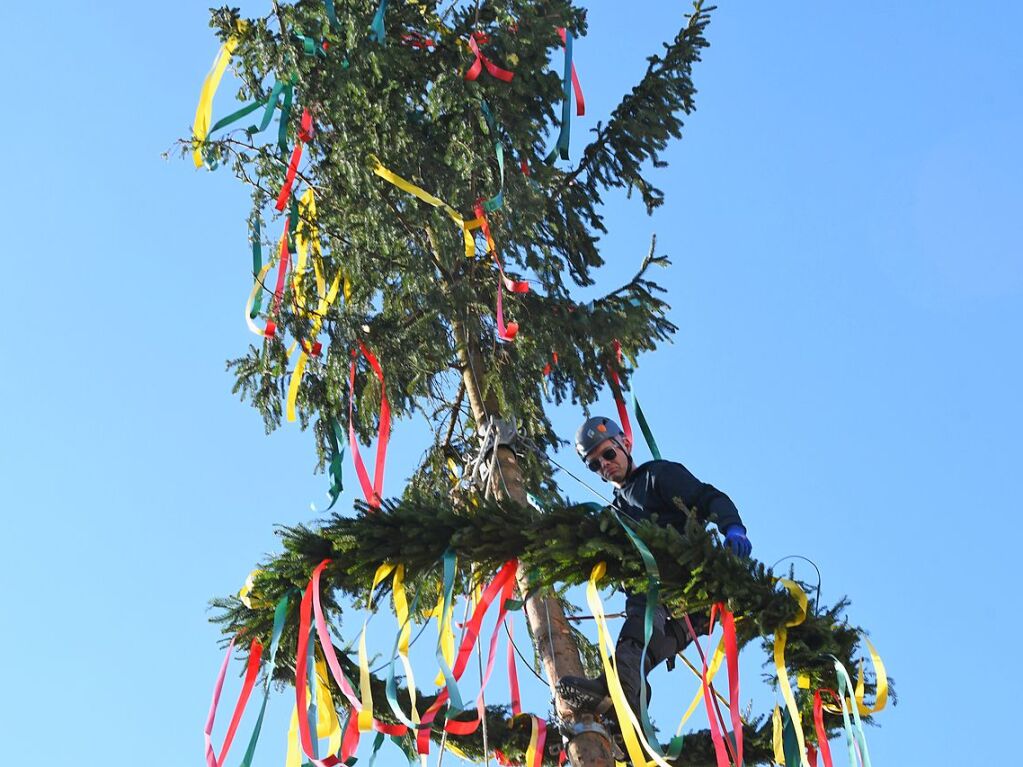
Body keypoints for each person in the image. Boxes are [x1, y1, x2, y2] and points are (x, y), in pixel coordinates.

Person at [557, 415, 752, 724]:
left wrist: (733, 528)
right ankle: (625, 706)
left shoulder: (657, 476)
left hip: (688, 578)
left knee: (644, 600)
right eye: (595, 465)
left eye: (608, 454)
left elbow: (706, 497)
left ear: (624, 444)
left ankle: (621, 689)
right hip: (671, 607)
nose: (605, 465)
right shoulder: (614, 512)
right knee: (647, 646)